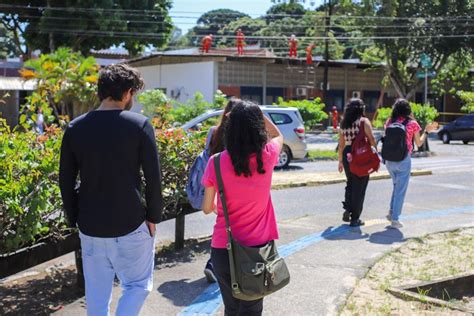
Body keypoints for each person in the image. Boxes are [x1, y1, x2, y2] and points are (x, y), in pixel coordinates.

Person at [59, 64, 163, 316]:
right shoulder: (139, 125)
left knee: (96, 293)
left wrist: (75, 219)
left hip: (90, 226)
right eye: (133, 94)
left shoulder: (75, 128)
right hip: (130, 222)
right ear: (127, 92)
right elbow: (153, 177)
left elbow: (66, 180)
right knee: (137, 286)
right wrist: (153, 217)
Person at [201, 100, 283, 315]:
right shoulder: (268, 156)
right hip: (257, 252)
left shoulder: (216, 162)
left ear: (231, 127)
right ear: (258, 127)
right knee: (251, 309)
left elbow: (207, 207)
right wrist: (256, 114)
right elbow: (276, 134)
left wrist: (223, 208)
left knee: (231, 308)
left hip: (222, 249)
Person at [384, 98, 438, 229]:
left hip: (389, 160)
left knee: (396, 186)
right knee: (400, 190)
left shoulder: (389, 121)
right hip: (403, 159)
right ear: (408, 109)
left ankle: (391, 212)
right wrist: (426, 131)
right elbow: (419, 143)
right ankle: (395, 220)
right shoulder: (412, 123)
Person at [201, 99, 237, 283]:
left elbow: (207, 154)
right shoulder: (240, 134)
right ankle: (213, 265)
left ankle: (215, 264)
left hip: (215, 182)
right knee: (229, 227)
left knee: (221, 225)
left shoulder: (214, 131)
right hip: (233, 185)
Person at [338, 98, 377, 227]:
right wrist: (376, 153)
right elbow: (371, 139)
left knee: (350, 182)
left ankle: (348, 209)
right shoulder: (363, 122)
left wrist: (340, 162)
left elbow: (341, 145)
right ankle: (355, 218)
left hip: (347, 154)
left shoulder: (343, 124)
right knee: (360, 187)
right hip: (360, 155)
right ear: (361, 109)